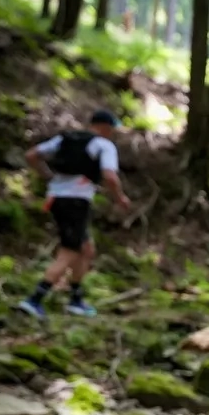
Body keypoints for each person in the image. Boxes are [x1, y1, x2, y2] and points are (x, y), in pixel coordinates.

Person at [18, 109, 131, 318]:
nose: (113, 133)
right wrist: (120, 198)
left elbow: (31, 155)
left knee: (86, 249)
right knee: (69, 251)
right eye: (113, 129)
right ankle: (34, 299)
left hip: (56, 199)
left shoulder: (64, 139)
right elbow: (110, 176)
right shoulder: (104, 145)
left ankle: (76, 300)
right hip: (76, 202)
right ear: (106, 127)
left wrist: (47, 175)